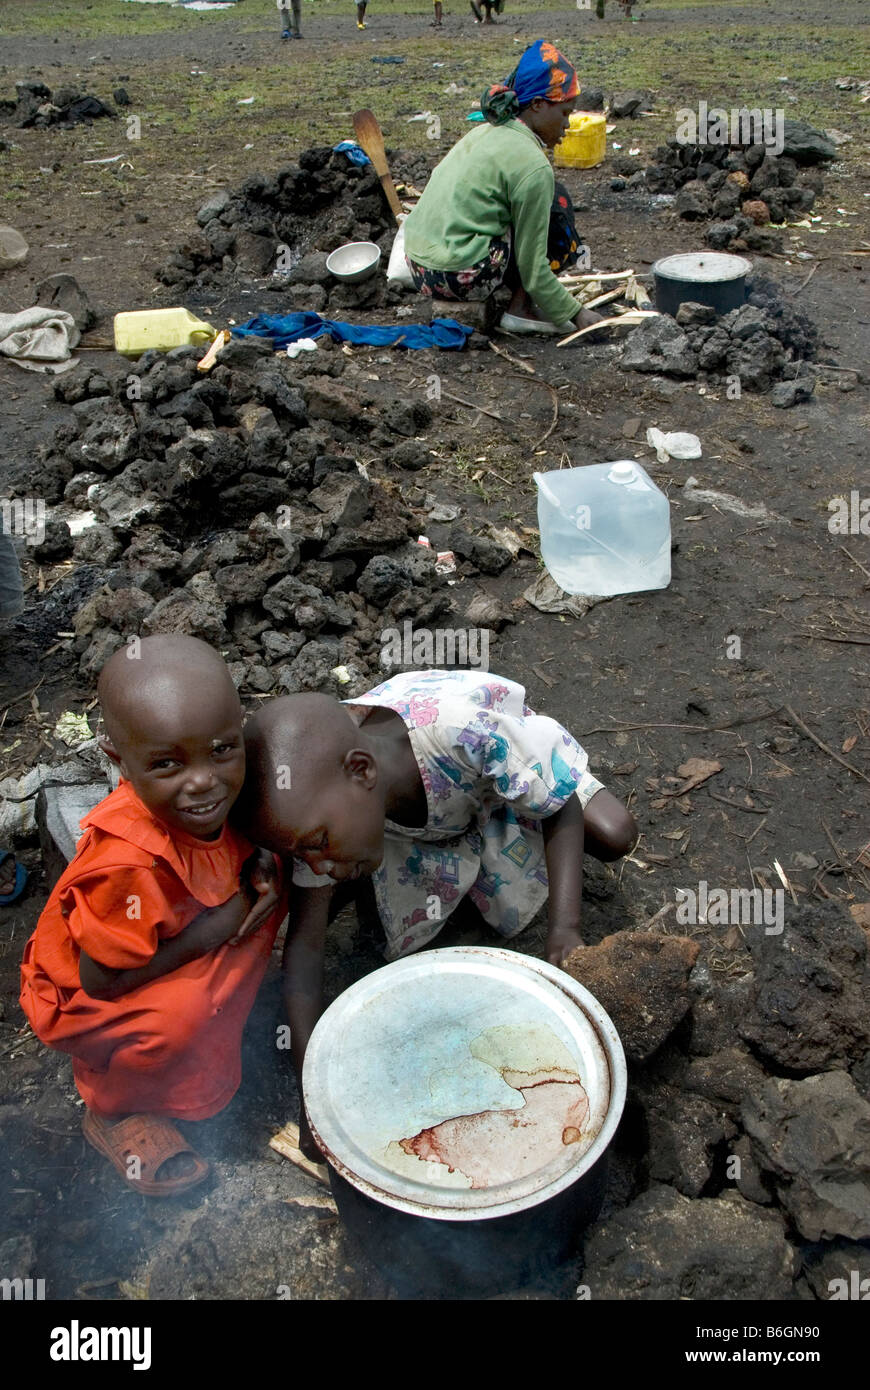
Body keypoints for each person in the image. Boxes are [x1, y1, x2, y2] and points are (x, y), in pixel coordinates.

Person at [237, 668, 637, 1159]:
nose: (315, 861)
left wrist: (565, 928)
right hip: (414, 824)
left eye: (316, 846)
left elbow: (557, 806)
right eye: (303, 853)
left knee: (614, 831)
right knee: (328, 880)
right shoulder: (313, 809)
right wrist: (312, 1098)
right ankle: (405, 858)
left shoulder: (462, 732)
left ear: (362, 771)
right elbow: (303, 954)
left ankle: (480, 847)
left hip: (503, 781)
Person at [19, 635, 285, 1196]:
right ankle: (115, 1106)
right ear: (120, 763)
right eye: (166, 763)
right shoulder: (128, 866)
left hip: (170, 942)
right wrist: (220, 924)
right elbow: (102, 980)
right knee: (185, 1013)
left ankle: (202, 1034)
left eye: (221, 749)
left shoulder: (214, 800)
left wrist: (258, 860)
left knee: (265, 904)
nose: (203, 781)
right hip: (91, 996)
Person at [403, 40, 602, 336]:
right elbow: (533, 268)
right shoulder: (534, 166)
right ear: (537, 105)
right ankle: (520, 309)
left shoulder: (484, 130)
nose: (568, 125)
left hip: (418, 267)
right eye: (564, 114)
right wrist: (576, 313)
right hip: (459, 275)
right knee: (556, 204)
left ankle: (513, 297)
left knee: (511, 206)